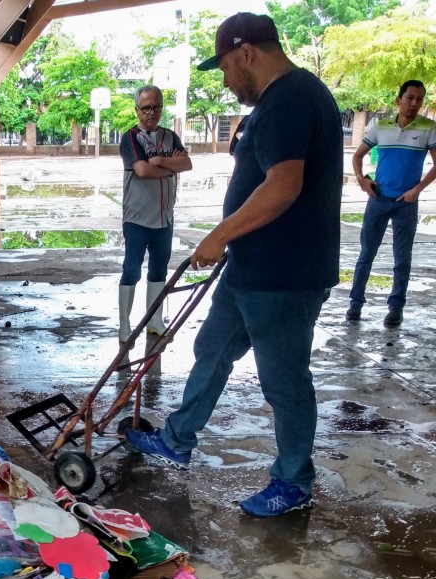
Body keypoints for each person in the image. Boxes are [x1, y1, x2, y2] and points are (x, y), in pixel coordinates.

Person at [125, 12, 343, 518]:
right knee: (212, 348)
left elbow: (283, 187)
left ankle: (293, 482)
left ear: (246, 53)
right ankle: (178, 438)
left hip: (283, 275)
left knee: (284, 378)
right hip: (252, 268)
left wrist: (218, 235)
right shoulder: (282, 100)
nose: (225, 79)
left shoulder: (290, 98)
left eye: (224, 67)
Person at [346, 81, 436, 326]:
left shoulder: (429, 128)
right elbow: (357, 155)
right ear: (398, 100)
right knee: (366, 254)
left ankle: (396, 307)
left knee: (402, 258)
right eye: (409, 98)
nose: (414, 103)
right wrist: (362, 180)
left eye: (419, 99)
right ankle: (355, 303)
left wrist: (417, 190)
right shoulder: (381, 126)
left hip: (406, 203)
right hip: (378, 198)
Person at [117, 85, 192, 343]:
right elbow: (141, 171)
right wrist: (171, 167)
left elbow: (188, 163)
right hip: (137, 218)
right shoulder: (131, 138)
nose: (151, 112)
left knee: (159, 270)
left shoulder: (170, 137)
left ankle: (155, 321)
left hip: (164, 219)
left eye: (156, 106)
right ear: (137, 110)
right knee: (131, 270)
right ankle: (125, 326)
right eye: (146, 107)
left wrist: (160, 162)